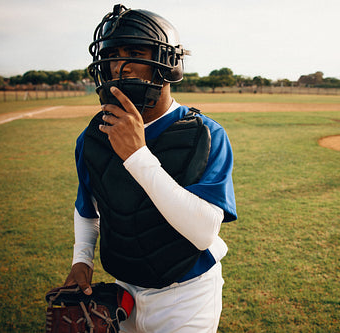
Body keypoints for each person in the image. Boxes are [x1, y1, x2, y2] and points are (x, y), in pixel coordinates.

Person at [63, 4, 237, 332]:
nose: (121, 65)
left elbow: (203, 233)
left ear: (167, 63)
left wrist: (138, 155)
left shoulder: (206, 135)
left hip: (186, 295)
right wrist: (82, 259)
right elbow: (88, 209)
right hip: (122, 292)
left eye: (134, 51)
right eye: (113, 53)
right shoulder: (92, 138)